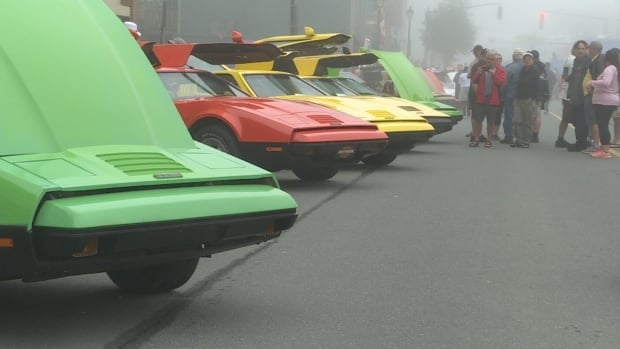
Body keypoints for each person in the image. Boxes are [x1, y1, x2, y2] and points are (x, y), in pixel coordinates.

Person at [586, 48, 620, 158]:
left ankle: (605, 150)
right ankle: (603, 148)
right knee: (602, 125)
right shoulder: (612, 69)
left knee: (603, 125)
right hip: (603, 101)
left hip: (605, 102)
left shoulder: (610, 68)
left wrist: (592, 82)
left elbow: (606, 83)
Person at [469, 49, 506, 148]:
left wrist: (493, 74)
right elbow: (473, 80)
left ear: (496, 60)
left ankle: (489, 140)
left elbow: (501, 83)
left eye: (492, 59)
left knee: (491, 121)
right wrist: (478, 72)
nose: (489, 61)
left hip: (493, 99)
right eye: (488, 59)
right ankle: (476, 138)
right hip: (481, 98)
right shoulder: (482, 68)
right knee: (478, 120)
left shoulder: (500, 70)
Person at [566, 40, 591, 152]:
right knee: (576, 120)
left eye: (583, 48)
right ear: (575, 50)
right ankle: (580, 141)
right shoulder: (576, 61)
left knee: (582, 120)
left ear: (586, 50)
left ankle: (582, 142)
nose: (581, 51)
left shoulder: (589, 61)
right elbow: (573, 78)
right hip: (575, 95)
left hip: (584, 96)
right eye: (579, 49)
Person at [511, 51, 540, 148]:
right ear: (523, 60)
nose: (527, 61)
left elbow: (537, 86)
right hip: (518, 98)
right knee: (516, 120)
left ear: (532, 60)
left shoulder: (535, 71)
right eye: (525, 59)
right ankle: (518, 140)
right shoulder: (522, 70)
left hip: (528, 99)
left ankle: (526, 141)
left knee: (528, 121)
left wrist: (534, 100)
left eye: (529, 59)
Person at [581, 41, 605, 153]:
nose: (587, 50)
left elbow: (599, 78)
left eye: (589, 48)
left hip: (592, 94)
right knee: (591, 119)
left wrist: (592, 88)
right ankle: (594, 142)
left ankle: (596, 144)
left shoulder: (598, 61)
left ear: (594, 49)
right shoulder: (595, 60)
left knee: (593, 120)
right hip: (590, 93)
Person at [500, 49, 524, 144]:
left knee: (509, 116)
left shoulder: (509, 68)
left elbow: (504, 83)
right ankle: (521, 136)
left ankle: (509, 136)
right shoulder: (526, 67)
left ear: (513, 57)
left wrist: (502, 95)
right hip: (523, 96)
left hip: (510, 95)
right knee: (522, 116)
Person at [555, 48, 577, 147]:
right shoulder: (572, 59)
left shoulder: (571, 59)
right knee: (567, 117)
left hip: (574, 92)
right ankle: (560, 139)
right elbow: (566, 75)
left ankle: (562, 139)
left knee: (571, 118)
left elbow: (564, 74)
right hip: (569, 92)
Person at [530, 49, 548, 143]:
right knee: (538, 115)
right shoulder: (543, 68)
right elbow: (546, 82)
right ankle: (535, 135)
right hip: (540, 95)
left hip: (531, 94)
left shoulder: (531, 66)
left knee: (529, 115)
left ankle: (529, 133)